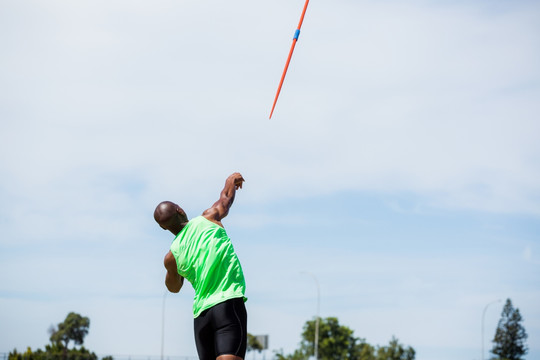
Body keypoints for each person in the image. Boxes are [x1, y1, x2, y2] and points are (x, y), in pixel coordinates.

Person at [154, 172, 248, 360]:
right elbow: (226, 198)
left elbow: (173, 288)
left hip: (202, 317)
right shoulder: (209, 218)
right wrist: (231, 180)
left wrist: (174, 270)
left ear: (164, 228)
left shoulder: (171, 258)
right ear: (180, 210)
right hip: (227, 305)